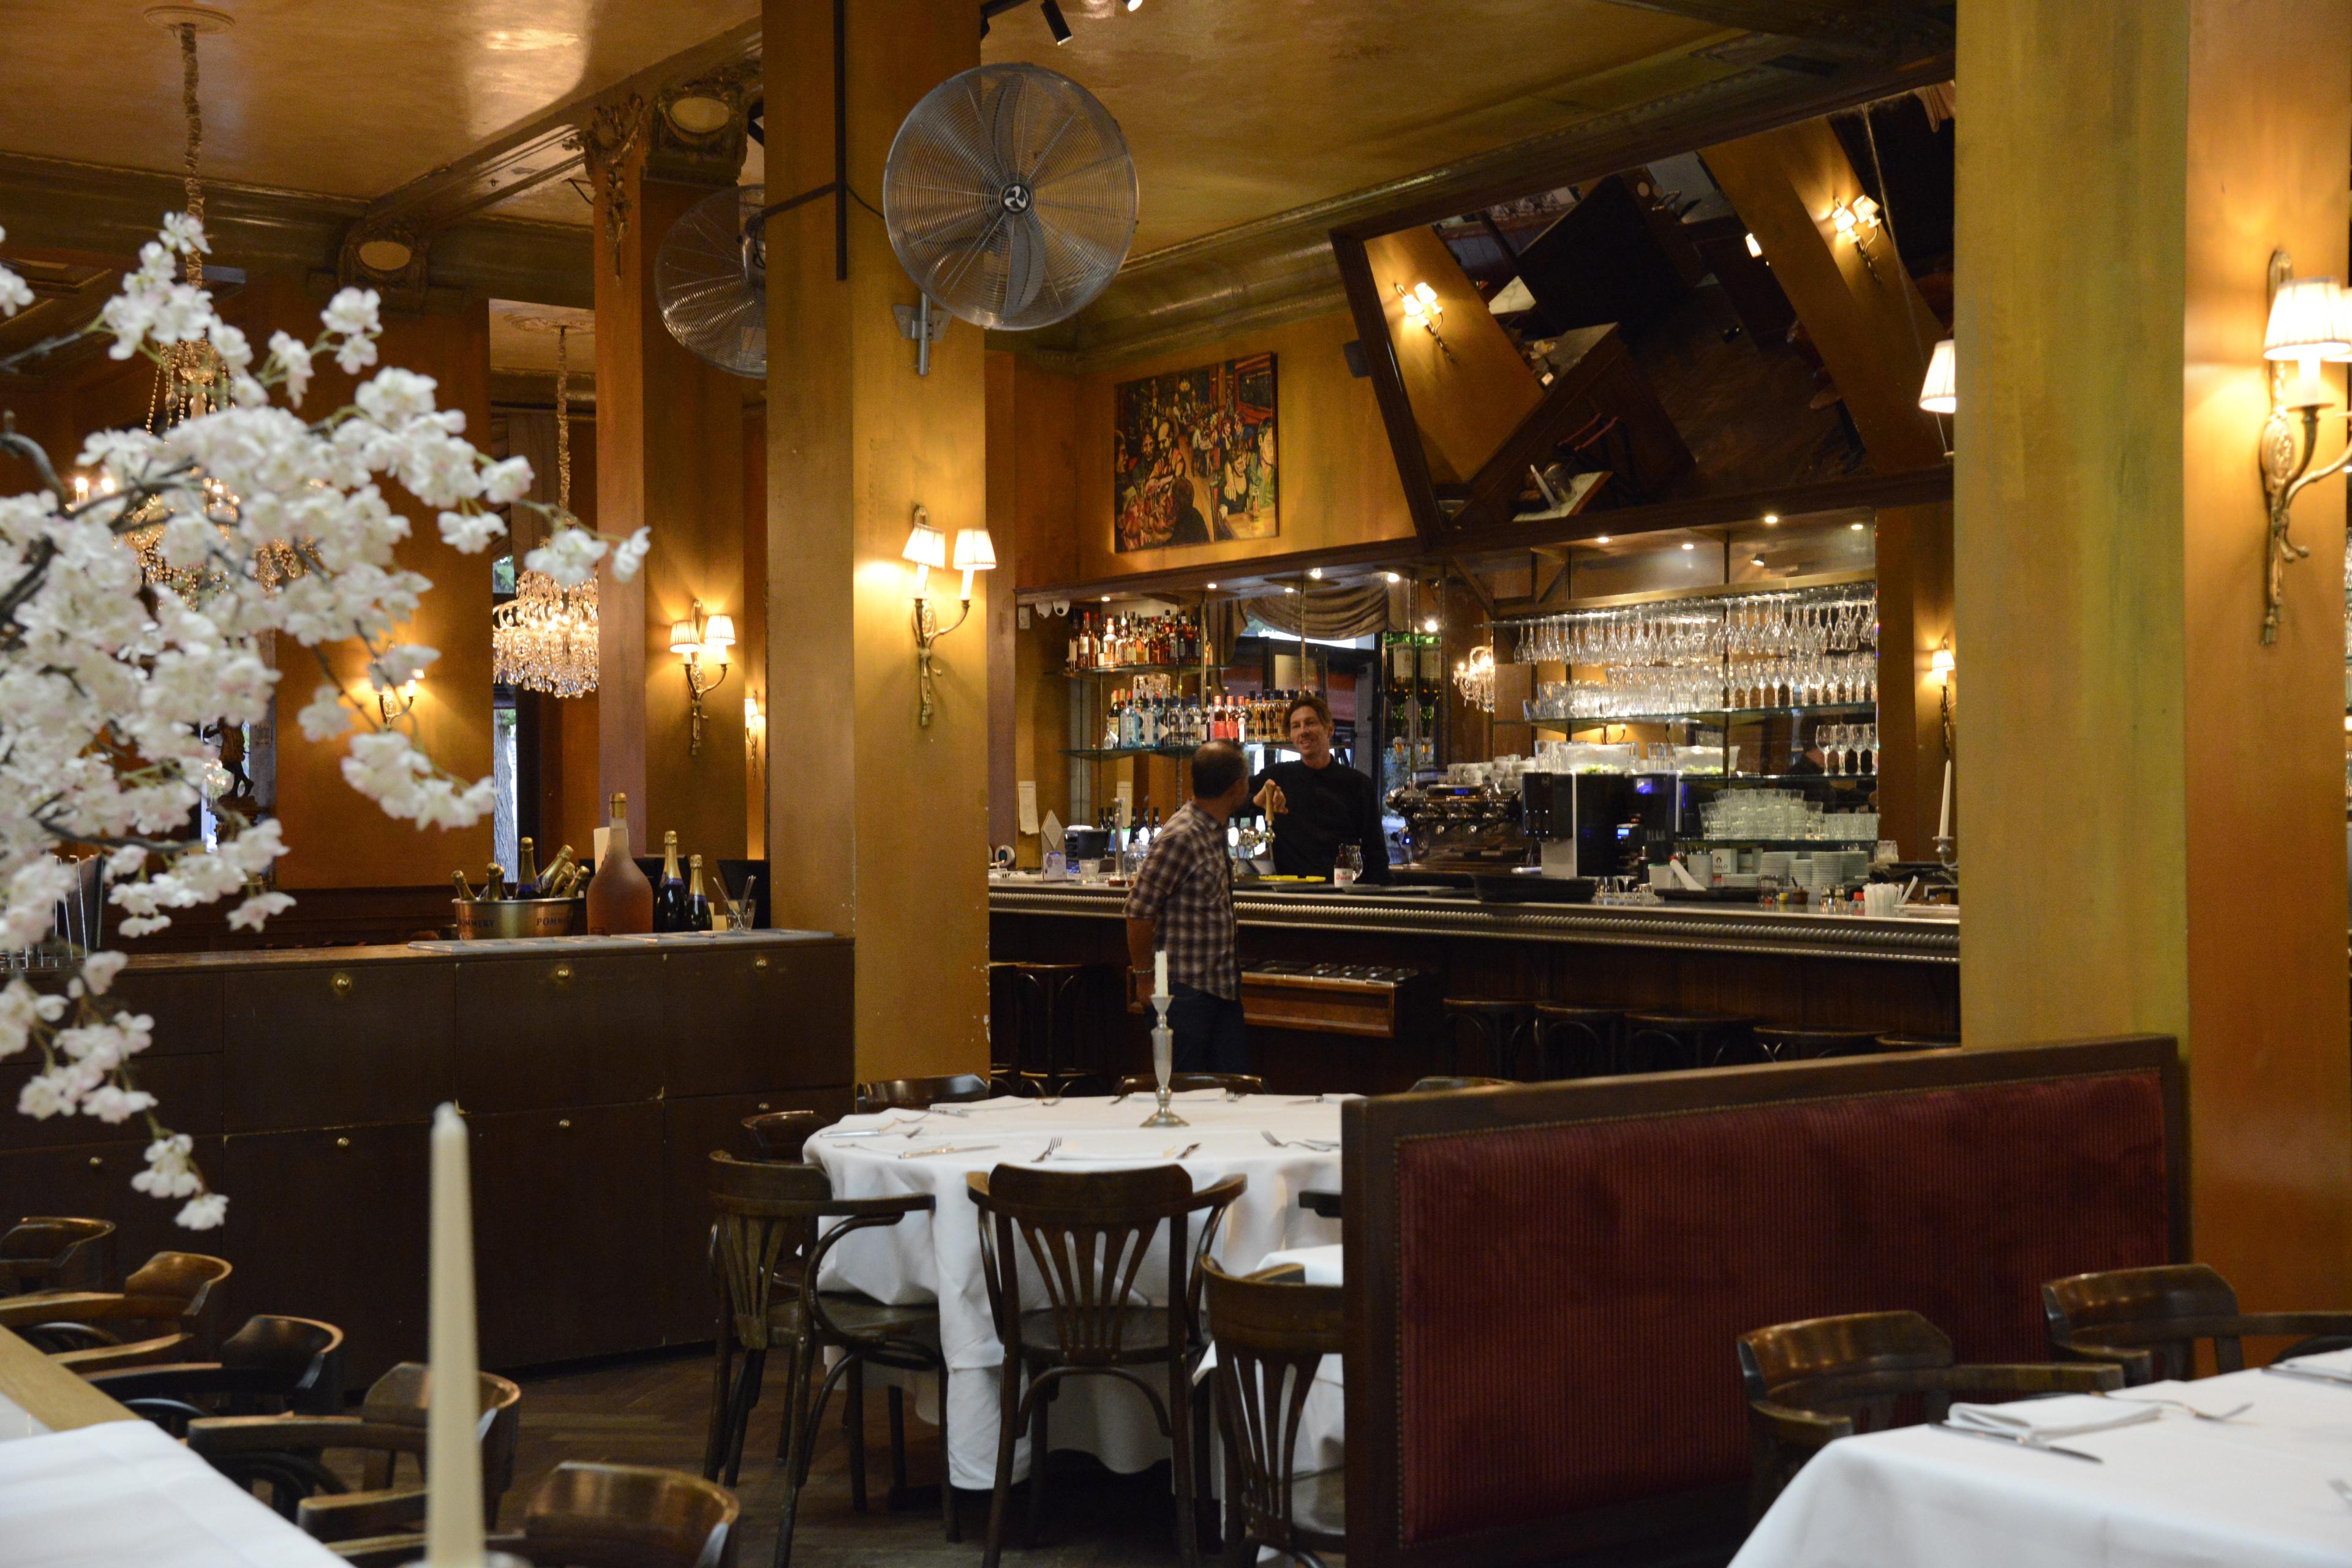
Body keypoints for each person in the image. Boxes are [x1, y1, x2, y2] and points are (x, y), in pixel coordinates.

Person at [1123, 740, 1251, 1072]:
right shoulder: (1182, 835)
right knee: (1186, 1094)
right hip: (1184, 994)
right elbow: (1138, 910)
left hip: (1220, 990)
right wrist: (1144, 980)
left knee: (1228, 1092)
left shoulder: (1213, 828)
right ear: (1237, 788)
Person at [1245, 693, 1391, 883]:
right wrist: (1255, 801)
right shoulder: (1277, 777)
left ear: (1329, 729)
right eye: (1296, 726)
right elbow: (1231, 801)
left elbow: (1376, 853)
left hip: (1343, 894)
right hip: (1290, 895)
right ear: (1291, 735)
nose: (1303, 731)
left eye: (1310, 723)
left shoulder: (1358, 784)